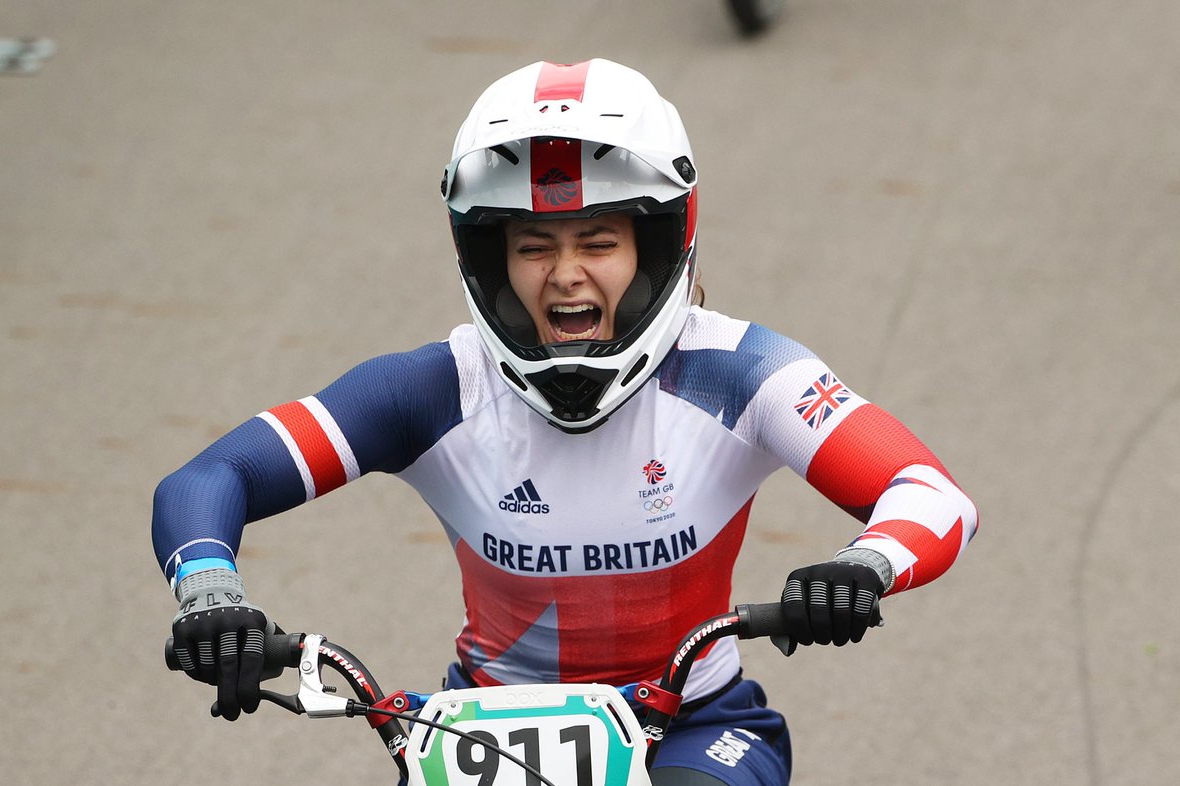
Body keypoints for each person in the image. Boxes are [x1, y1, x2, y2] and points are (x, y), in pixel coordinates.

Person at [154, 58, 978, 785]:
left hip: (699, 727)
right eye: (533, 246)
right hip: (473, 735)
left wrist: (864, 566)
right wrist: (209, 597)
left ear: (655, 250)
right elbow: (210, 478)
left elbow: (930, 494)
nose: (566, 275)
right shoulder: (432, 389)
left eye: (598, 240)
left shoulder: (744, 371)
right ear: (493, 264)